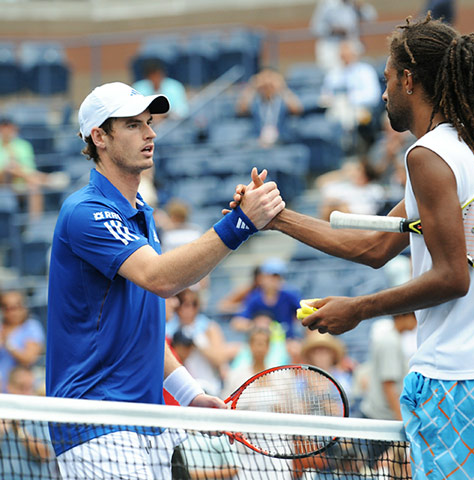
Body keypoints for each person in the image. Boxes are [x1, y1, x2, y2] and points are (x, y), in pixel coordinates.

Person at [230, 15, 474, 478]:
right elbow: (376, 247)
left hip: (459, 379)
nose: (383, 93)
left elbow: (451, 277)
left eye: (387, 79)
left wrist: (357, 308)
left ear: (409, 80)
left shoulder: (427, 156)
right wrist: (277, 218)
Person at [45, 81, 284, 478]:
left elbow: (143, 331)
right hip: (97, 420)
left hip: (151, 422)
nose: (151, 132)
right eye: (134, 125)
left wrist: (190, 394)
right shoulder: (84, 212)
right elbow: (160, 279)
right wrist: (240, 223)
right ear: (99, 137)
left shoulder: (142, 215)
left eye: (149, 122)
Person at [0, 365, 60, 479]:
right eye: (21, 387)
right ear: (9, 387)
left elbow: (45, 454)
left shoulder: (41, 416)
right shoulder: (2, 414)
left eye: (30, 388)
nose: (26, 393)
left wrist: (19, 430)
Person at [236, 67, 303, 148]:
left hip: (281, 140)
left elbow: (297, 109)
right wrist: (252, 86)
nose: (267, 83)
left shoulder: (282, 100)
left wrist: (282, 87)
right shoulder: (255, 101)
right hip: (257, 140)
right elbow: (241, 109)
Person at [309, 0, 377, 71]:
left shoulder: (353, 4)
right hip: (332, 48)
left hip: (350, 45)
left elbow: (371, 17)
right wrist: (333, 30)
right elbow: (315, 28)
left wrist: (360, 6)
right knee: (335, 75)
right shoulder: (327, 4)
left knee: (355, 72)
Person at [0, 290, 45, 393]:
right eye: (6, 308)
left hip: (21, 390)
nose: (12, 312)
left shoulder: (32, 327)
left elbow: (29, 358)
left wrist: (8, 345)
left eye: (15, 307)